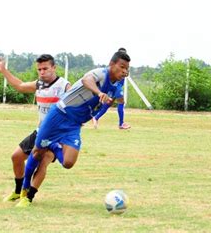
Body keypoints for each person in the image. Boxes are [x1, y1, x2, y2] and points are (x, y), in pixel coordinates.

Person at [17, 48, 130, 207]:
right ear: (112, 64)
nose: (124, 71)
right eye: (122, 67)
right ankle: (25, 192)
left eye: (127, 69)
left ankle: (55, 146)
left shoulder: (116, 87)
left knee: (68, 163)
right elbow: (86, 80)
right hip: (59, 115)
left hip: (74, 125)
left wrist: (113, 101)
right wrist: (99, 93)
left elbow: (117, 101)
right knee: (37, 152)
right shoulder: (100, 73)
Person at [0, 54, 70, 202]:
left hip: (57, 135)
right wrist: (3, 70)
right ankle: (18, 191)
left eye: (45, 68)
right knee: (16, 157)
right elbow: (19, 86)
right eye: (39, 69)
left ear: (54, 68)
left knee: (43, 161)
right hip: (40, 131)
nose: (42, 72)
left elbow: (76, 105)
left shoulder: (65, 86)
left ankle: (28, 197)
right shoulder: (39, 84)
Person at [92, 48, 131, 130]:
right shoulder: (115, 64)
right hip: (116, 85)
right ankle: (121, 123)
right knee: (121, 102)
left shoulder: (126, 65)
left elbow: (126, 74)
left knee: (108, 104)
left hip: (119, 84)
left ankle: (96, 117)